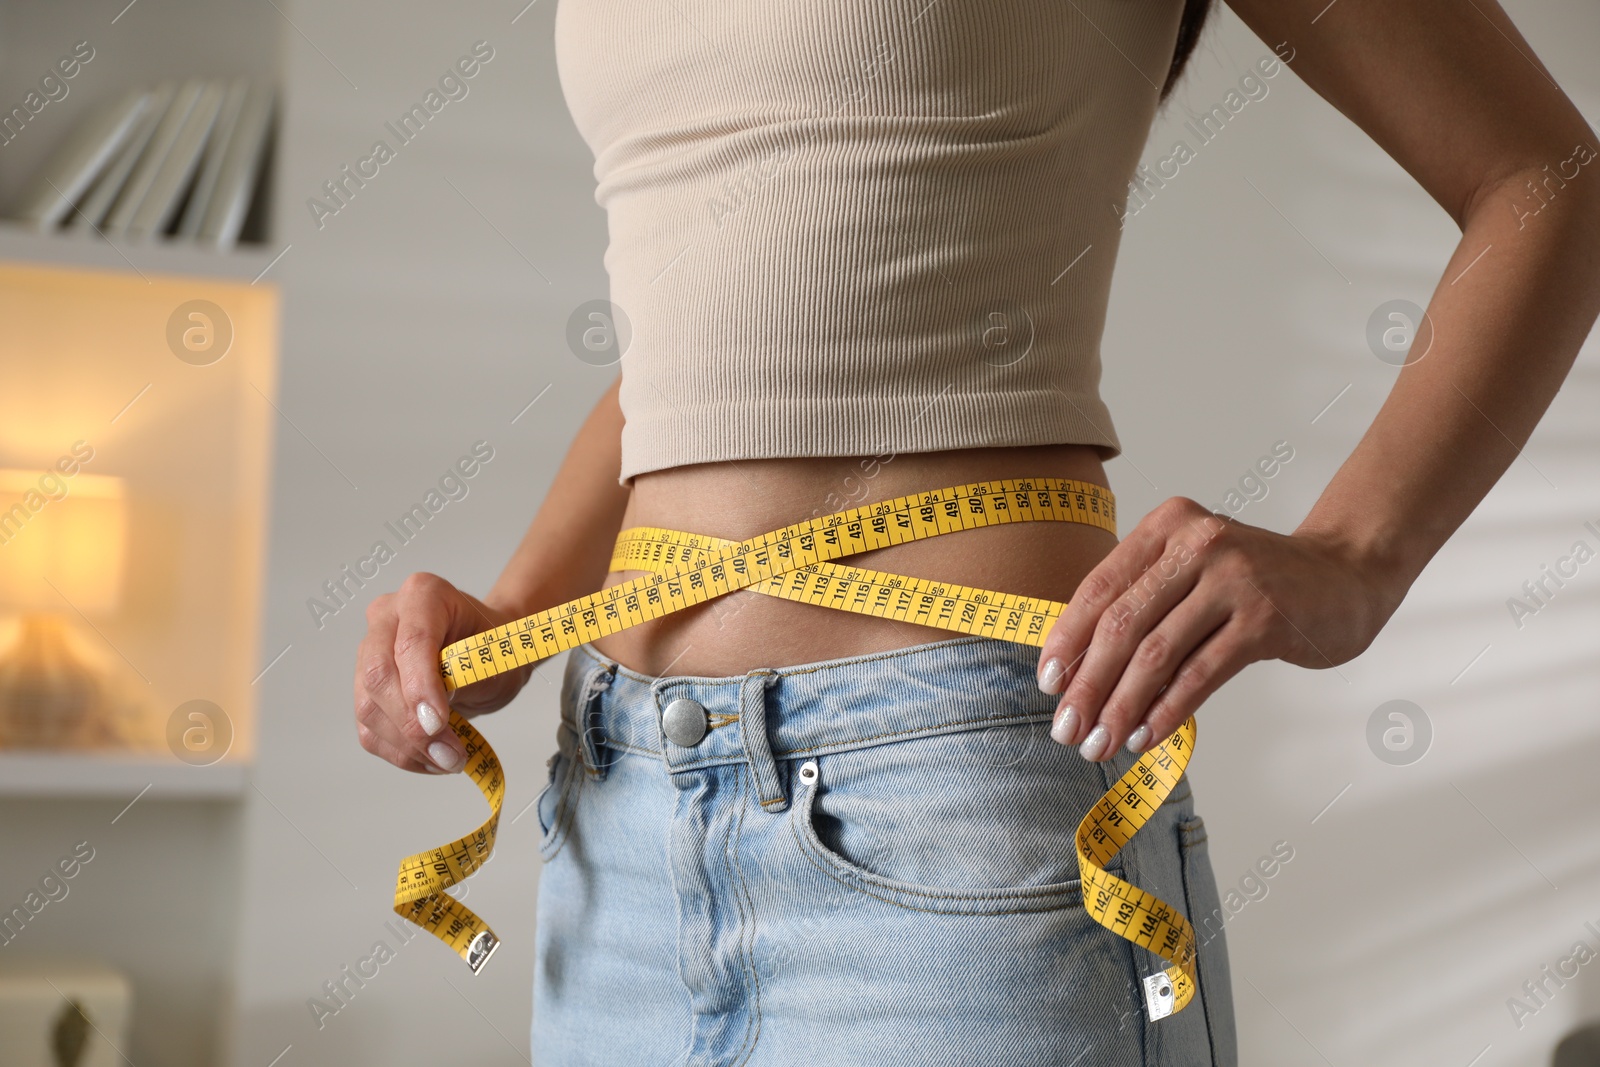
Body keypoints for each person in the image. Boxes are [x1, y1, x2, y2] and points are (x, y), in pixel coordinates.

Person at [350, 1, 1600, 1063]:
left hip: (950, 804)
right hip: (614, 811)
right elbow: (702, 339)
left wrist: (1358, 556)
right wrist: (517, 605)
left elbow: (1548, 181)